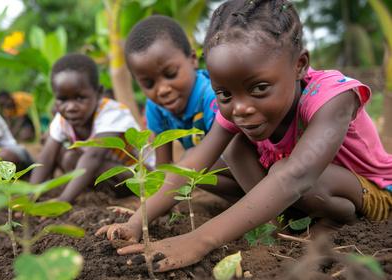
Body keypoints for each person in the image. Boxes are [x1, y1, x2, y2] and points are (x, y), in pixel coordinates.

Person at [96, 0, 392, 272]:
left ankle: (340, 223)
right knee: (235, 147)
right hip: (299, 193)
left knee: (287, 170)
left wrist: (199, 240)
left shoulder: (333, 97)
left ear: (299, 65)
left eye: (259, 88)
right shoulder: (240, 108)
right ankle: (274, 228)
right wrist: (136, 222)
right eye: (224, 93)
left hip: (371, 194)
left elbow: (295, 177)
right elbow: (191, 165)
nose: (240, 108)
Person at [123, 14, 244, 201]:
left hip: (248, 165)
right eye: (148, 84)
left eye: (171, 74)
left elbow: (237, 149)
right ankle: (244, 202)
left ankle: (257, 201)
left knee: (188, 161)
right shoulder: (155, 107)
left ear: (192, 59)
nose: (162, 90)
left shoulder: (212, 96)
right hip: (216, 172)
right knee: (185, 168)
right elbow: (163, 166)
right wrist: (159, 201)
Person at [29, 53, 155, 203]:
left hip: (136, 177)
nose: (71, 107)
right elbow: (47, 156)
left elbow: (94, 157)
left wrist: (63, 199)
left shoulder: (112, 113)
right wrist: (30, 194)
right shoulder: (62, 120)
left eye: (80, 98)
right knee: (68, 157)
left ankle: (94, 194)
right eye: (62, 99)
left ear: (98, 92)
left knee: (89, 162)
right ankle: (100, 191)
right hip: (103, 172)